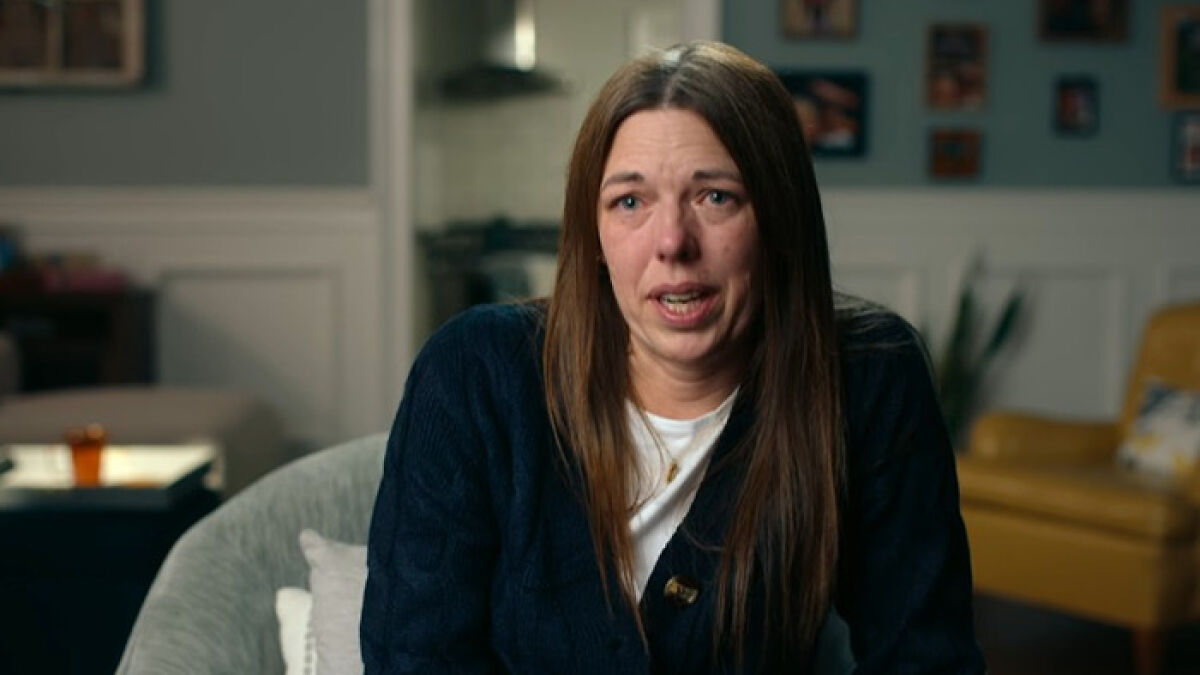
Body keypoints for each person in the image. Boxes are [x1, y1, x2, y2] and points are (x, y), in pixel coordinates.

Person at [361, 41, 986, 673]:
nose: (672, 243)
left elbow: (926, 660)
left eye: (716, 197)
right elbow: (413, 658)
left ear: (778, 218)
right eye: (629, 202)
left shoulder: (870, 377)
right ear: (594, 235)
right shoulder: (474, 374)